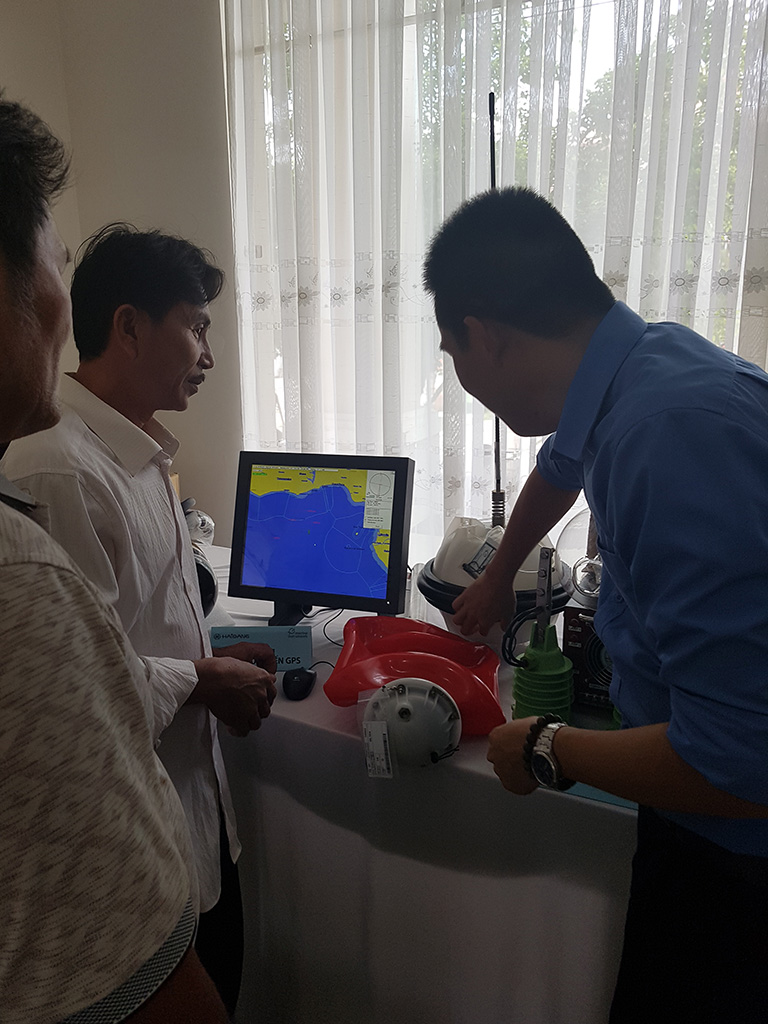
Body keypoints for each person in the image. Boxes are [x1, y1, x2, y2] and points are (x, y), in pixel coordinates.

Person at [423, 186, 768, 1024]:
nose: (459, 377)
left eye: (450, 352)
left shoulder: (669, 437)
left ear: (482, 335)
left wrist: (548, 746)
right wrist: (499, 575)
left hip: (738, 857)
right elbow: (561, 465)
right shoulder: (641, 365)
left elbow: (741, 758)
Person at [1, 221, 277, 1013]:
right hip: (131, 857)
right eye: (196, 328)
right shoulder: (56, 467)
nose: (208, 355)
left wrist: (207, 657)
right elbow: (87, 686)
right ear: (128, 326)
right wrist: (202, 678)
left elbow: (134, 624)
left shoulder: (139, 452)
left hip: (194, 810)